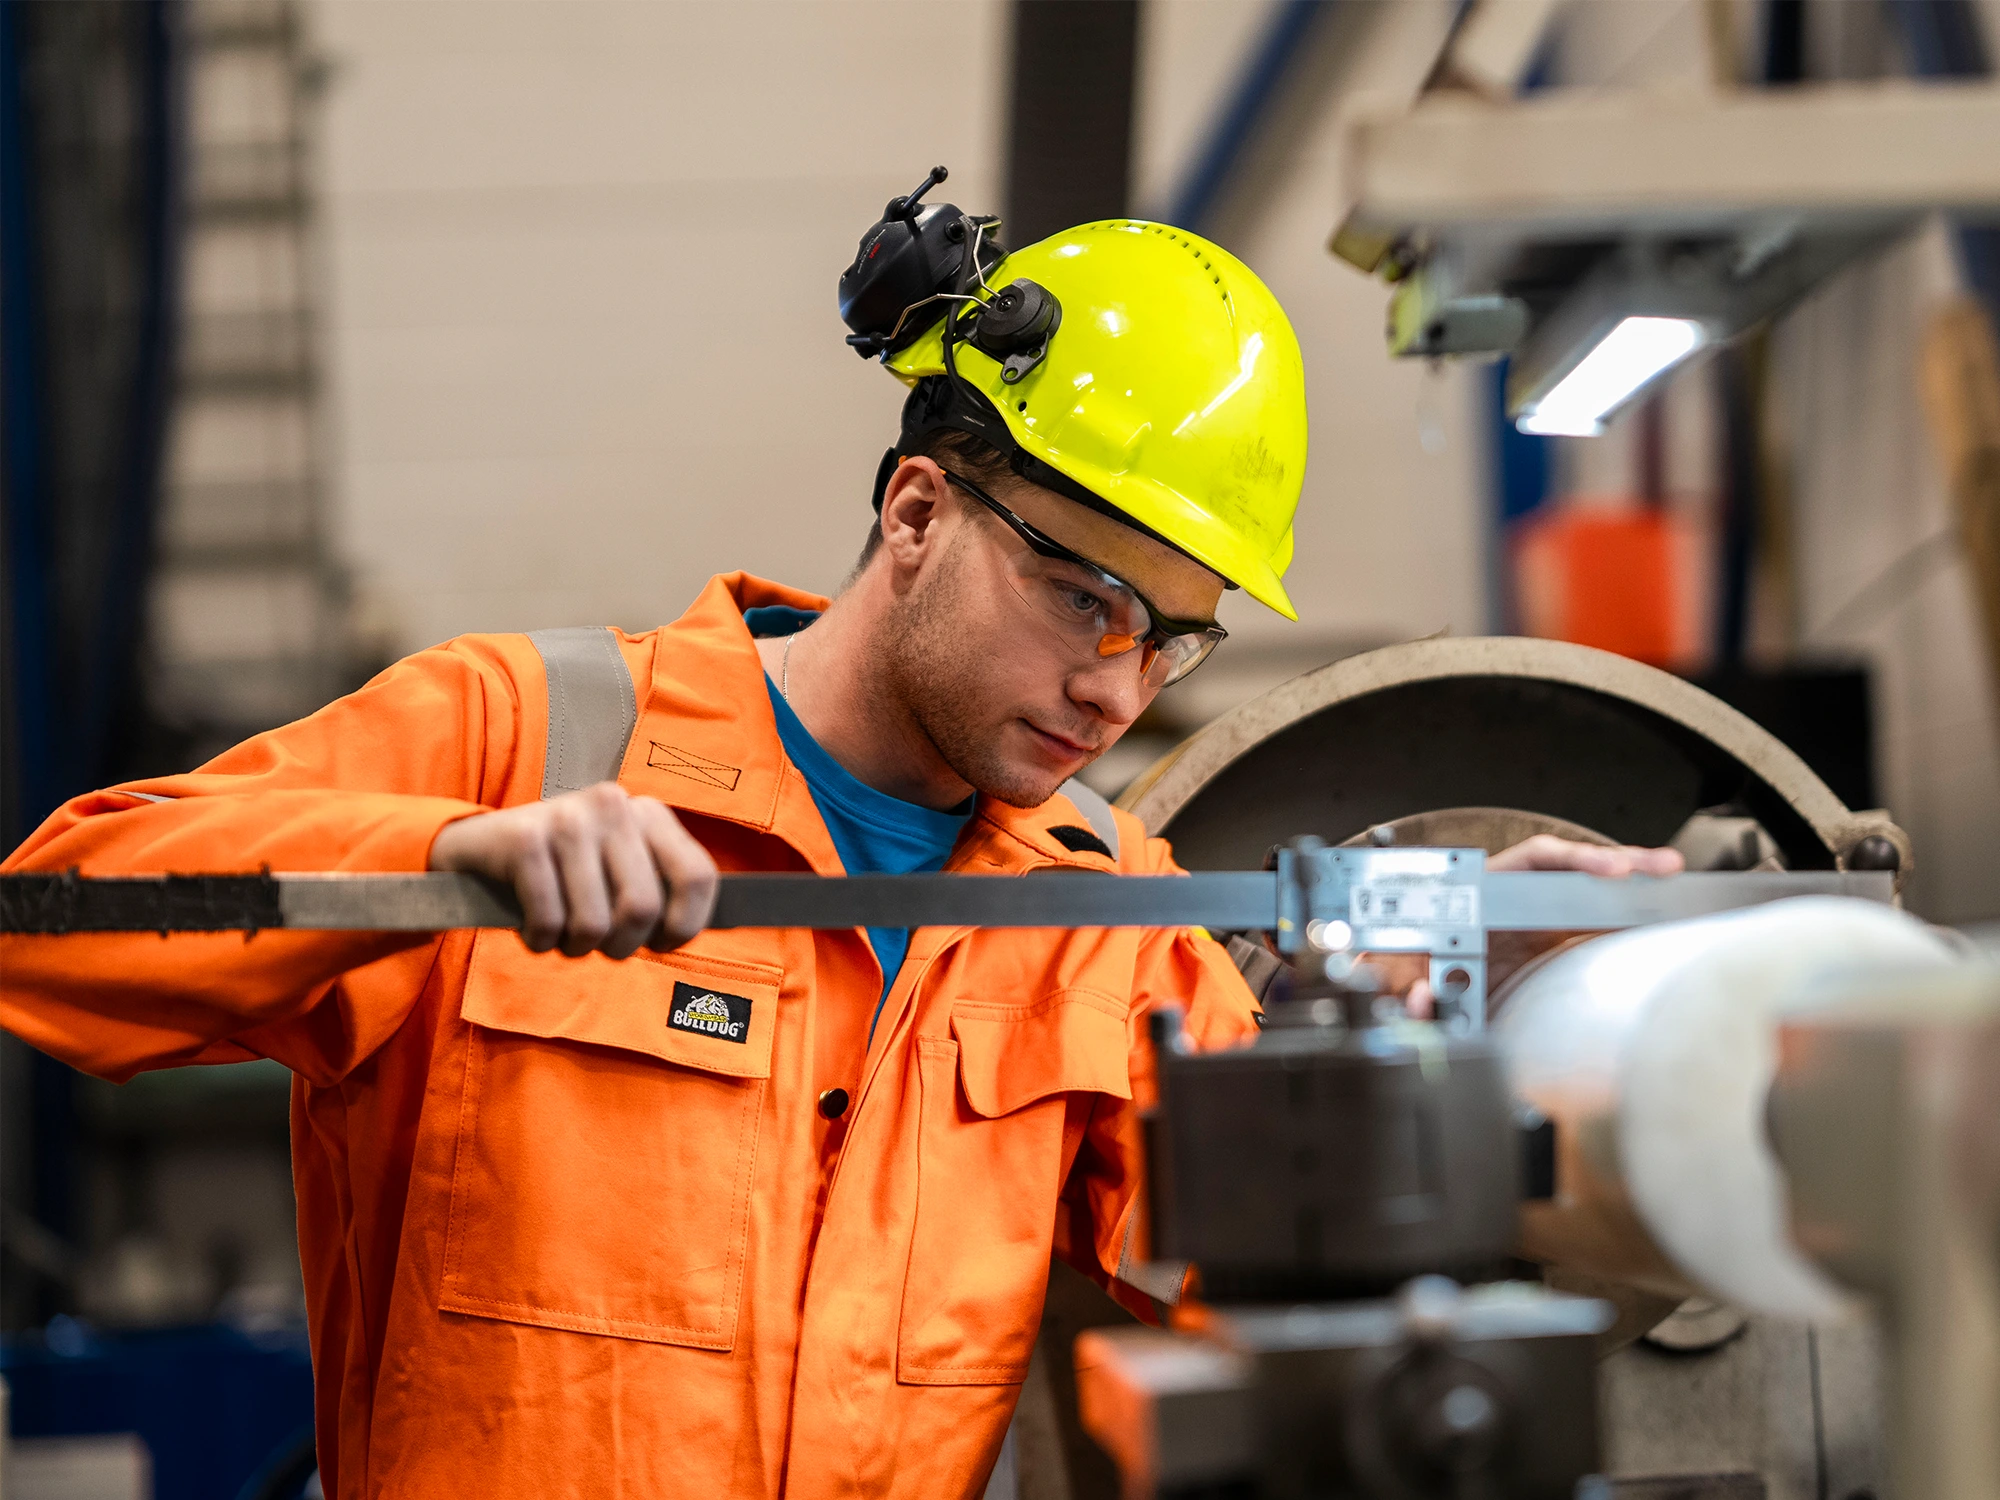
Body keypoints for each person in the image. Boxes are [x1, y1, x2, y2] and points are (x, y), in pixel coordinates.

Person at [0, 217, 1678, 1498]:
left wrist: (1490, 1033)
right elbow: (51, 930)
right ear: (920, 512)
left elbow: (1298, 1303)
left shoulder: (1100, 923)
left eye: (1173, 638)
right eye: (1085, 596)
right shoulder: (525, 735)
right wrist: (442, 854)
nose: (1116, 683)